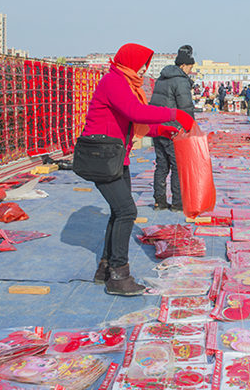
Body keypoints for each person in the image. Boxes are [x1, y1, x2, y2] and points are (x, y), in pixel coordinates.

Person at [82, 43, 194, 296]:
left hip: (116, 156)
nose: (144, 70)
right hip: (102, 155)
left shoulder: (127, 84)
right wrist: (174, 113)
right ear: (130, 62)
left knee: (117, 212)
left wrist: (162, 129)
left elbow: (133, 121)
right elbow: (136, 112)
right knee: (126, 212)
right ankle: (119, 276)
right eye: (142, 65)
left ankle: (106, 268)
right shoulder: (114, 81)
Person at [149, 45, 196, 212]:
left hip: (158, 127)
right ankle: (177, 203)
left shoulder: (161, 78)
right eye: (190, 67)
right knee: (178, 166)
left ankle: (159, 201)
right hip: (173, 129)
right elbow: (186, 108)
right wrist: (190, 129)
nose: (191, 71)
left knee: (161, 165)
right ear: (183, 65)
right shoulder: (181, 81)